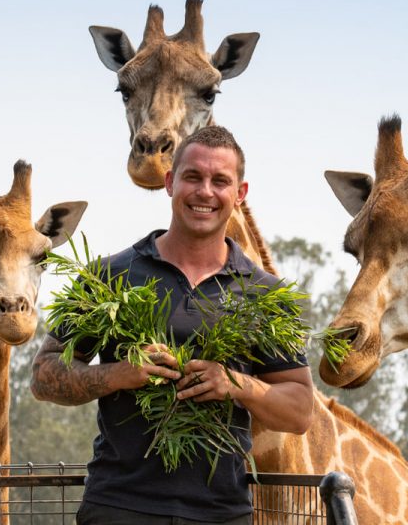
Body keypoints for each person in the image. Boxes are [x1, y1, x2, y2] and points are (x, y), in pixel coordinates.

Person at [30, 126, 315, 525]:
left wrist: (236, 383)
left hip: (221, 515)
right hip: (118, 508)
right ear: (170, 182)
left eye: (221, 181)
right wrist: (120, 374)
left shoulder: (265, 295)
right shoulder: (107, 276)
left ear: (240, 193)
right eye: (193, 177)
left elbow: (300, 411)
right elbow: (44, 377)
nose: (205, 192)